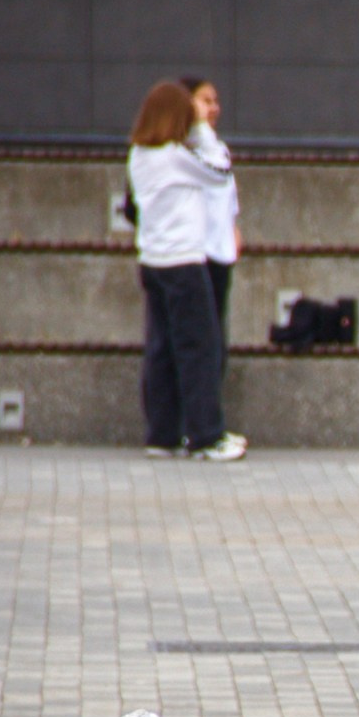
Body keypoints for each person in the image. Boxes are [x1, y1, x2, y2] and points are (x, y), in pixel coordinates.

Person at [127, 81, 244, 461]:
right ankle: (206, 436)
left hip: (153, 262)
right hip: (184, 263)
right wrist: (200, 130)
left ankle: (162, 434)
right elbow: (219, 171)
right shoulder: (175, 156)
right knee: (200, 348)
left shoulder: (139, 155)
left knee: (161, 349)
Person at [181, 76, 240, 341]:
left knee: (215, 335)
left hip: (219, 255)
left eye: (215, 101)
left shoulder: (219, 151)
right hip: (194, 256)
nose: (214, 108)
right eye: (206, 101)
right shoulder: (182, 150)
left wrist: (233, 229)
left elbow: (226, 199)